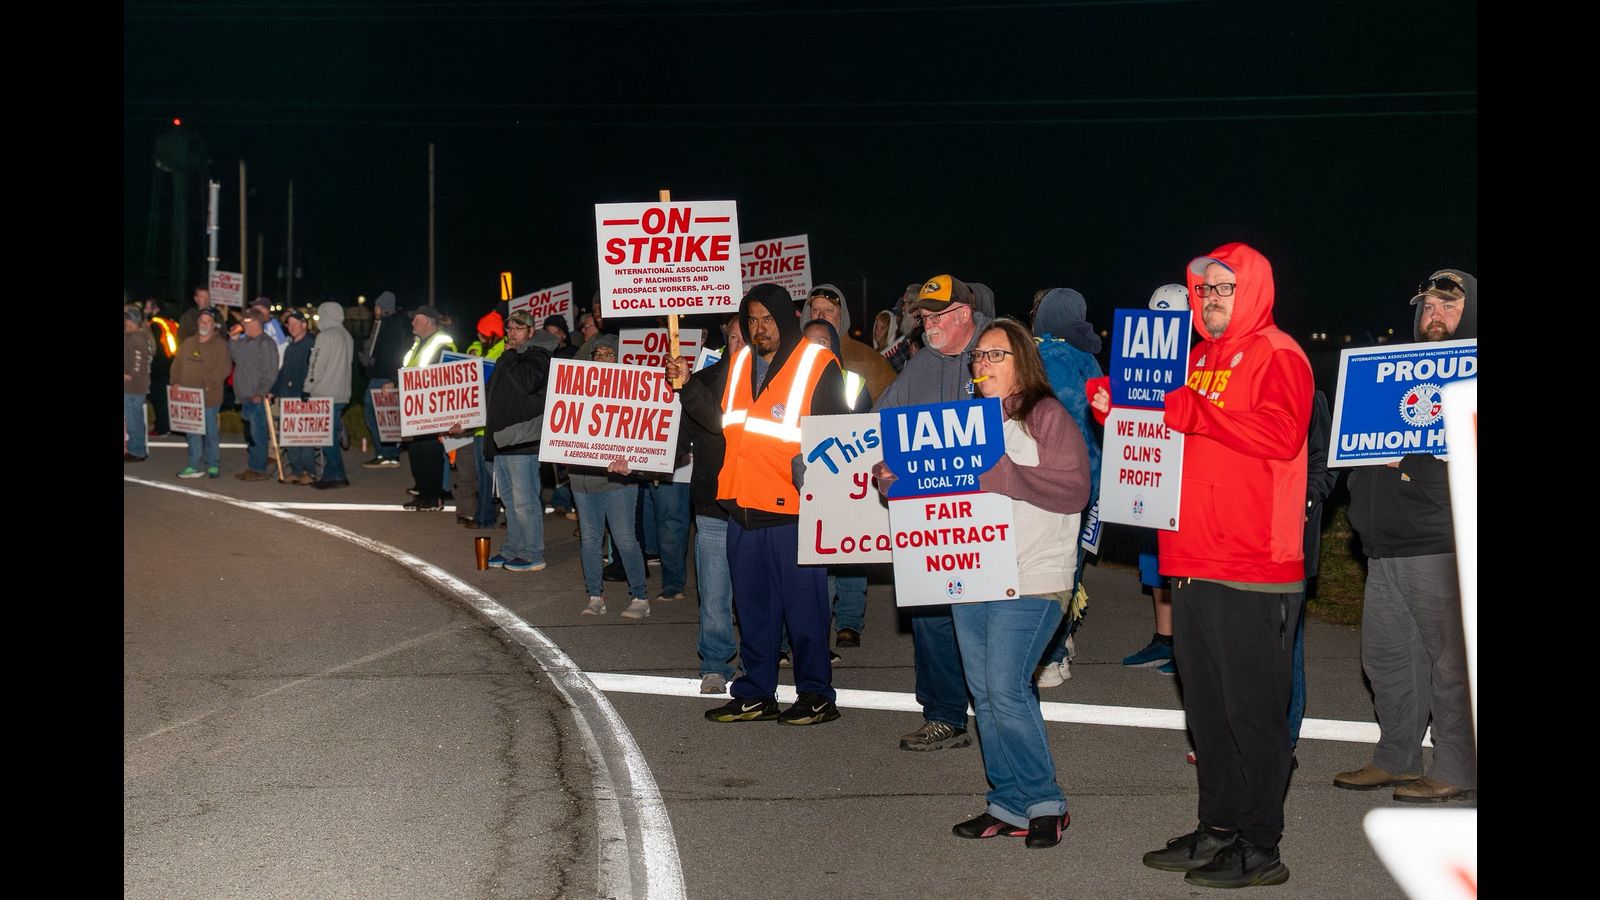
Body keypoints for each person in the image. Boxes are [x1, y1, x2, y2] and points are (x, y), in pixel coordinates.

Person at [1126, 243, 1311, 889]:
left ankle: (1262, 847)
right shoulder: (1197, 359)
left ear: (1252, 289)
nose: (1209, 298)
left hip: (1253, 563)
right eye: (1203, 289)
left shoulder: (1278, 353)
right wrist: (1123, 410)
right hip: (1190, 557)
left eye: (1223, 288)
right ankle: (1219, 828)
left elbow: (1282, 434)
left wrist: (1194, 412)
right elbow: (1173, 431)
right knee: (1206, 713)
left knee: (1252, 716)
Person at [900, 317, 1090, 850]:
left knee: (1005, 688)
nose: (981, 364)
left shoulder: (1045, 415)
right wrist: (898, 479)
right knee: (984, 694)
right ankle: (1007, 802)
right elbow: (935, 485)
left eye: (994, 355)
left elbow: (1075, 489)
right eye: (977, 357)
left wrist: (1010, 476)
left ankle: (1046, 802)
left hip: (1034, 576)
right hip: (973, 573)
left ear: (1021, 362)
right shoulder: (963, 421)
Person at [1333, 269, 1477, 803]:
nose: (1434, 315)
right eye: (1427, 307)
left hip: (1442, 543)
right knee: (1388, 659)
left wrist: (1412, 464)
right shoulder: (1390, 372)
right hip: (1383, 544)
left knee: (1453, 665)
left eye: (1448, 306)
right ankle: (1396, 758)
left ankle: (1459, 767)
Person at [698, 282, 851, 725]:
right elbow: (721, 424)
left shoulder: (817, 362)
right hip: (742, 508)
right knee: (753, 612)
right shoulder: (739, 362)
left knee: (806, 613)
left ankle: (817, 695)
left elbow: (839, 435)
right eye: (752, 320)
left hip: (793, 512)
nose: (759, 328)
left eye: (767, 319)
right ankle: (756, 693)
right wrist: (686, 387)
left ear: (785, 319)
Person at [872, 274, 992, 752]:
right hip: (932, 521)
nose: (927, 324)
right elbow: (877, 422)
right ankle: (944, 715)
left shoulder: (997, 351)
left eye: (936, 315)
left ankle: (998, 714)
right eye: (923, 317)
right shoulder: (920, 363)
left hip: (986, 517)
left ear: (963, 313)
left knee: (987, 622)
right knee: (929, 617)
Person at [1027, 287, 1104, 688]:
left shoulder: (1037, 355)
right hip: (1085, 479)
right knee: (1067, 565)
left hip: (1044, 478)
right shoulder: (1085, 356)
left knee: (1043, 568)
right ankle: (1059, 649)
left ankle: (1050, 655)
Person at [669, 316, 745, 693]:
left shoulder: (773, 384)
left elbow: (721, 421)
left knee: (755, 593)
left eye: (747, 337)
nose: (739, 344)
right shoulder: (703, 381)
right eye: (733, 337)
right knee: (714, 594)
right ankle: (715, 664)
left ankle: (757, 662)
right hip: (713, 505)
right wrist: (636, 458)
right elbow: (678, 440)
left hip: (757, 506)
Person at [1118, 284, 1191, 676]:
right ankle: (1164, 638)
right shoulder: (1139, 358)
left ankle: (1187, 646)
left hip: (1183, 477)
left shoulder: (1198, 360)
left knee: (1182, 563)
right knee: (1154, 561)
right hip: (1151, 472)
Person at [571, 334, 652, 616]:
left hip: (617, 480)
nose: (603, 359)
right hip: (581, 479)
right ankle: (595, 596)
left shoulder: (631, 392)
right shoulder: (576, 390)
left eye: (610, 354)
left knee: (624, 538)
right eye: (598, 354)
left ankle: (640, 597)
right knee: (590, 540)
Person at [482, 310, 555, 573]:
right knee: (510, 503)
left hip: (523, 440)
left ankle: (532, 552)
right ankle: (513, 548)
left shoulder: (539, 355)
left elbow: (526, 383)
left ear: (531, 331)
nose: (512, 332)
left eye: (519, 328)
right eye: (510, 327)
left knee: (525, 502)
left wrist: (511, 355)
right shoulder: (508, 357)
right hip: (503, 439)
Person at [398, 305, 456, 510]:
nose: (412, 322)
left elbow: (445, 374)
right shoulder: (419, 343)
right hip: (417, 407)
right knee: (417, 452)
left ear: (428, 322)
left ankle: (433, 497)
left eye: (417, 319)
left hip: (432, 408)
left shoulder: (442, 343)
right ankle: (424, 493)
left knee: (429, 453)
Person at [453, 311, 507, 525]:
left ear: (492, 335)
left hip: (491, 423)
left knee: (490, 475)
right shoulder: (484, 348)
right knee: (483, 474)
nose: (479, 337)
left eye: (483, 334)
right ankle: (484, 516)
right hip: (478, 423)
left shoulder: (503, 351)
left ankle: (485, 518)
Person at [171, 307, 233, 479]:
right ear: (197, 323)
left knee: (210, 432)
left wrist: (209, 382)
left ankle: (213, 464)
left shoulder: (220, 344)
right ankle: (194, 465)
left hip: (209, 397)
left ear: (214, 324)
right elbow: (176, 365)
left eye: (208, 321)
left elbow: (225, 368)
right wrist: (175, 382)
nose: (205, 324)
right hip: (189, 398)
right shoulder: (188, 343)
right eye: (202, 321)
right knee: (192, 432)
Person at [305, 302, 354, 489]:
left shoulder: (325, 336)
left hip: (325, 392)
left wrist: (307, 387)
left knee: (326, 437)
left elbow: (316, 365)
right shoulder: (347, 336)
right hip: (342, 392)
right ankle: (333, 472)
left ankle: (336, 474)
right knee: (330, 434)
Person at [359, 290, 411, 467]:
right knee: (381, 416)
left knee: (381, 416)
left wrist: (392, 378)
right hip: (381, 375)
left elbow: (392, 354)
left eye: (377, 306)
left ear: (383, 307)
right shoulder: (385, 324)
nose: (375, 309)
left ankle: (387, 454)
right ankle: (386, 453)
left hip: (384, 377)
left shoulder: (391, 325)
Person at [228, 307, 281, 481]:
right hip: (245, 396)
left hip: (256, 397)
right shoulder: (246, 341)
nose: (243, 324)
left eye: (246, 321)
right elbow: (236, 357)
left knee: (258, 434)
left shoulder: (265, 343)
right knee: (251, 435)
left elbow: (270, 372)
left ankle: (258, 468)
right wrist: (234, 339)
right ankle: (254, 466)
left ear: (256, 323)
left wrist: (261, 392)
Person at [270, 308, 318, 484]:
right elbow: (284, 372)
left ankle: (309, 471)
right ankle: (297, 470)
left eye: (295, 324)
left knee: (304, 437)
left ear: (304, 325)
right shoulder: (291, 347)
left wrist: (306, 391)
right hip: (288, 398)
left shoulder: (311, 345)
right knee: (290, 437)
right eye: (289, 324)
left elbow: (312, 371)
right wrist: (273, 390)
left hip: (302, 398)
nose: (291, 327)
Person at [124, 306, 156, 462]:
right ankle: (136, 449)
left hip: (134, 386)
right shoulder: (138, 336)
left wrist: (129, 375)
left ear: (131, 321)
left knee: (133, 419)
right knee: (134, 417)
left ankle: (136, 450)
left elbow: (139, 360)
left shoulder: (136, 338)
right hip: (136, 385)